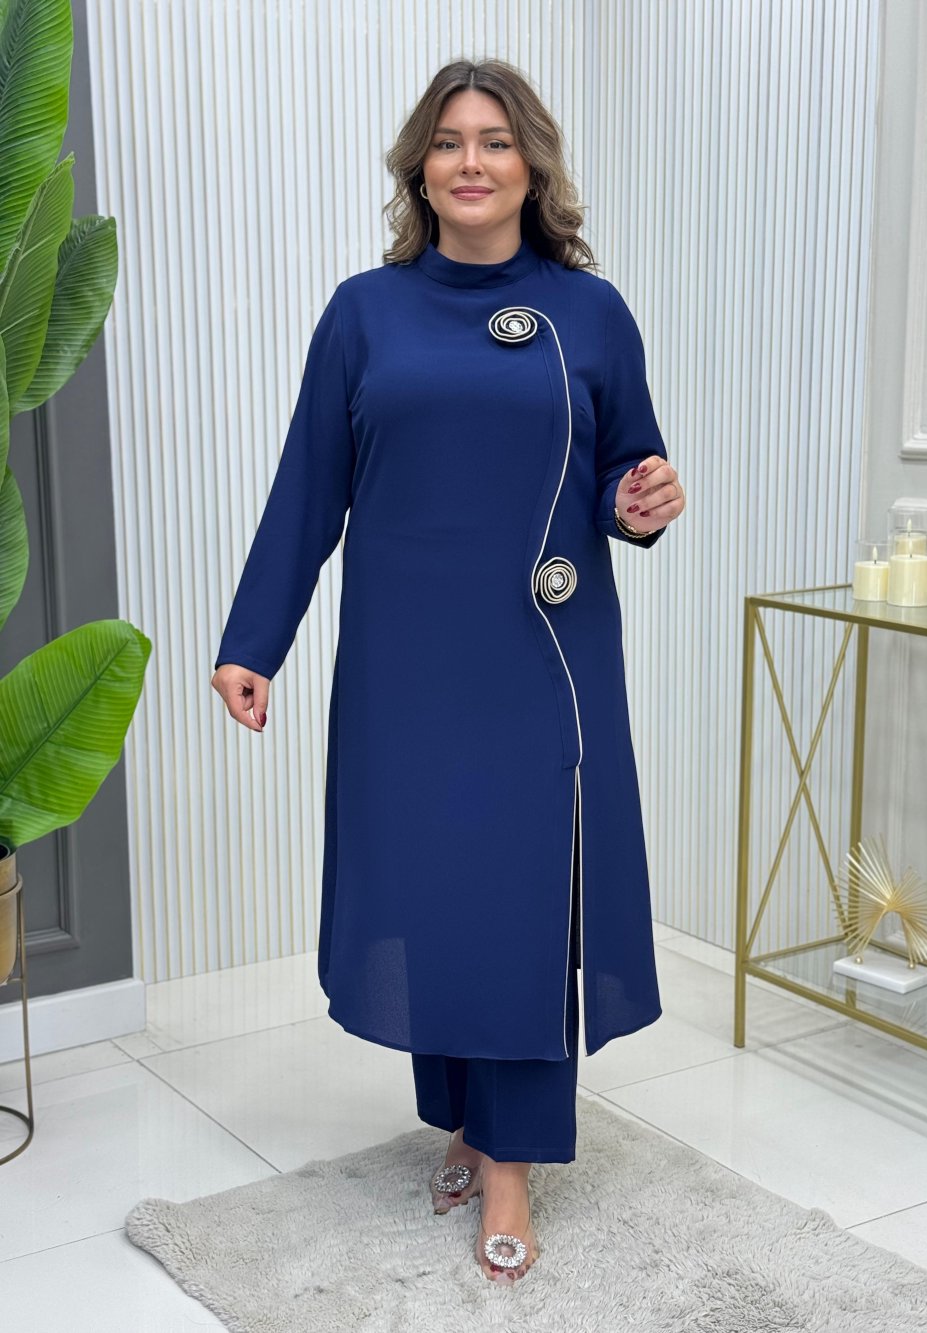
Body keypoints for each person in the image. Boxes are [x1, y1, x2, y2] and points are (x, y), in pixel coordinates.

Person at [211, 57, 685, 1285]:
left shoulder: (592, 313)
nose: (471, 161)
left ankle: (512, 1160)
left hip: (540, 659)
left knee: (526, 893)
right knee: (439, 890)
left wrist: (642, 502)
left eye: (495, 140)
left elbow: (627, 471)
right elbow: (308, 490)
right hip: (406, 665)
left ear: (532, 166)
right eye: (448, 141)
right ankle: (468, 1123)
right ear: (420, 168)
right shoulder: (363, 314)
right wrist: (253, 642)